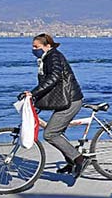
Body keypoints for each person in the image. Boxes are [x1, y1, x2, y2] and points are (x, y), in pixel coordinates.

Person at [23, 34, 87, 181]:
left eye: (36, 47)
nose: (33, 50)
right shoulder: (46, 58)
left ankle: (79, 160)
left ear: (48, 46)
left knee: (50, 134)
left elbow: (54, 78)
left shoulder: (53, 57)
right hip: (63, 100)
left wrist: (33, 93)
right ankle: (71, 163)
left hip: (70, 100)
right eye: (33, 46)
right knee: (58, 132)